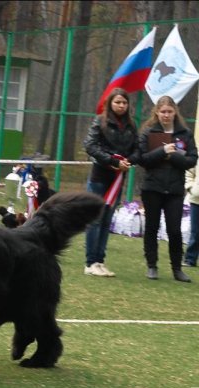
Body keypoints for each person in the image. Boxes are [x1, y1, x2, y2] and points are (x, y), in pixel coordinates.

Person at [138, 95, 197, 282]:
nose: (166, 115)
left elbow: (191, 160)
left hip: (174, 190)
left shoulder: (185, 133)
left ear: (175, 112)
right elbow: (143, 159)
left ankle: (177, 269)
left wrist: (172, 157)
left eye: (169, 112)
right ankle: (152, 266)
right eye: (163, 111)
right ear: (157, 112)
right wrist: (162, 151)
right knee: (151, 227)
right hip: (152, 187)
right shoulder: (149, 132)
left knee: (174, 230)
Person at [82, 88, 139, 277]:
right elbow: (90, 145)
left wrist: (127, 161)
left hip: (118, 178)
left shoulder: (131, 125)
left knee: (107, 220)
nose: (121, 106)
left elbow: (137, 149)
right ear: (110, 103)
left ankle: (100, 261)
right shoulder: (100, 121)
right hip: (99, 176)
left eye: (124, 102)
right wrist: (112, 161)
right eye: (117, 102)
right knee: (95, 219)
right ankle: (90, 263)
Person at [183, 160, 199, 267]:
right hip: (196, 199)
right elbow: (189, 172)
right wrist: (190, 188)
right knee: (195, 232)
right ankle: (190, 259)